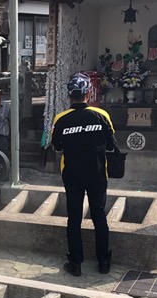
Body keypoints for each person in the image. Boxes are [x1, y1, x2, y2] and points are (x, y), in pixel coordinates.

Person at [50, 73, 117, 277]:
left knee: (74, 218)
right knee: (99, 216)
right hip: (97, 173)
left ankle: (76, 263)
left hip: (72, 175)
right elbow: (111, 145)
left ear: (69, 95)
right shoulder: (101, 115)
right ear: (88, 93)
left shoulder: (61, 119)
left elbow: (57, 146)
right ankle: (103, 262)